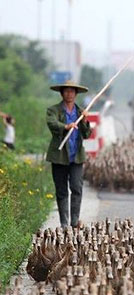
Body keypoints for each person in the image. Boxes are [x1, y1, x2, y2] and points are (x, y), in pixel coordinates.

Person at [46, 80, 91, 228]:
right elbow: (52, 124)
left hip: (76, 157)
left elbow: (86, 135)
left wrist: (85, 120)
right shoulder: (53, 110)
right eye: (66, 91)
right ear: (62, 93)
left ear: (76, 94)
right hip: (59, 157)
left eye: (72, 91)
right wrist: (66, 126)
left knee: (77, 188)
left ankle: (74, 221)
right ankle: (64, 224)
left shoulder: (80, 112)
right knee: (61, 190)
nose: (69, 94)